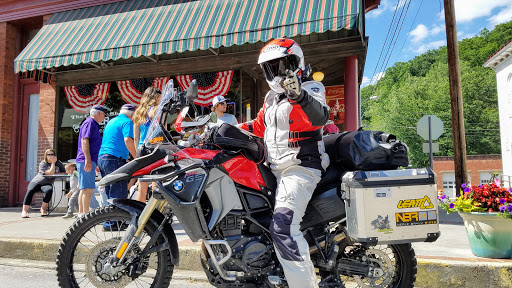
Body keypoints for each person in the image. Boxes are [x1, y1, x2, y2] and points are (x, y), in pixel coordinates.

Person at [239, 38, 330, 288]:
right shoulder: (271, 99)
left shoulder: (310, 89)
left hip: (300, 168)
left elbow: (320, 116)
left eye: (280, 65)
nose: (275, 72)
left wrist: (298, 95)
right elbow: (257, 127)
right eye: (270, 67)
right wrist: (218, 128)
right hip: (273, 168)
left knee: (283, 228)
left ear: (295, 63)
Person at [98, 104, 137, 202]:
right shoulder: (127, 122)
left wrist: (125, 157)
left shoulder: (111, 121)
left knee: (109, 193)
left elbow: (113, 140)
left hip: (102, 158)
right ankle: (117, 217)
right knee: (118, 194)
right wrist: (136, 157)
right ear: (132, 114)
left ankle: (109, 216)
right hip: (114, 159)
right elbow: (127, 140)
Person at [132, 87, 162, 202]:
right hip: (154, 147)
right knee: (156, 183)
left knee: (142, 186)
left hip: (141, 148)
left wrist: (136, 154)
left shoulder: (138, 112)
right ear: (155, 97)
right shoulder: (156, 109)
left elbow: (136, 137)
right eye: (159, 96)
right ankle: (155, 213)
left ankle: (140, 213)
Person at [76, 104, 106, 218]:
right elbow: (84, 140)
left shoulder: (90, 123)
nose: (104, 117)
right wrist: (88, 159)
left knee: (84, 188)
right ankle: (84, 215)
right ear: (98, 113)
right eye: (103, 114)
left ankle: (81, 213)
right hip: (86, 159)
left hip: (87, 159)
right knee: (88, 188)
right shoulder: (90, 123)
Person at [21, 149, 65, 218]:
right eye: (49, 154)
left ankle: (43, 209)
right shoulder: (43, 163)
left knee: (49, 190)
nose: (51, 156)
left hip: (47, 183)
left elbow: (64, 172)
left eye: (52, 154)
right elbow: (50, 173)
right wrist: (53, 163)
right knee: (30, 190)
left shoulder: (59, 163)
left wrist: (56, 172)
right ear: (46, 156)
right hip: (37, 182)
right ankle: (24, 211)